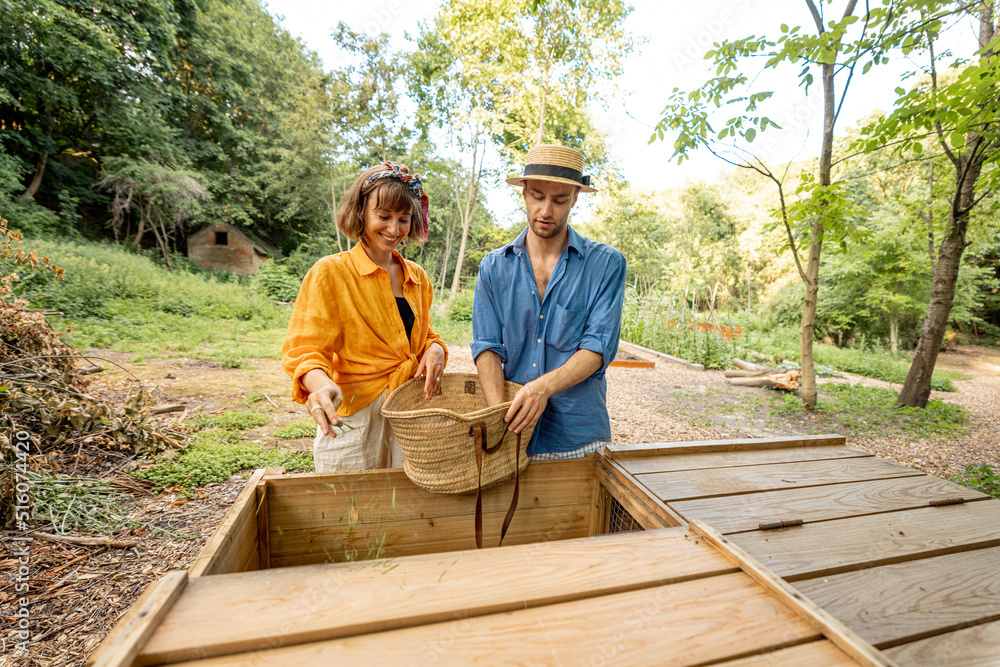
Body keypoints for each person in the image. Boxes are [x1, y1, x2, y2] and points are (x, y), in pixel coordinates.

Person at [282, 162, 447, 471]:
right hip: (353, 413)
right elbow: (305, 350)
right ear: (361, 212)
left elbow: (423, 338)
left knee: (406, 505)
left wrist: (435, 349)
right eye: (383, 216)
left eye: (404, 219)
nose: (394, 229)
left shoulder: (418, 278)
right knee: (349, 510)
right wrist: (320, 386)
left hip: (408, 411)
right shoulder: (330, 273)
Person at [472, 144, 626, 459]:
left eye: (559, 200)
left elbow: (597, 348)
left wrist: (542, 388)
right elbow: (487, 346)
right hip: (514, 436)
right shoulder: (493, 267)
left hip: (580, 436)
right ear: (524, 193)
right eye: (538, 196)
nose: (546, 211)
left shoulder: (606, 264)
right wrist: (499, 417)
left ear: (575, 198)